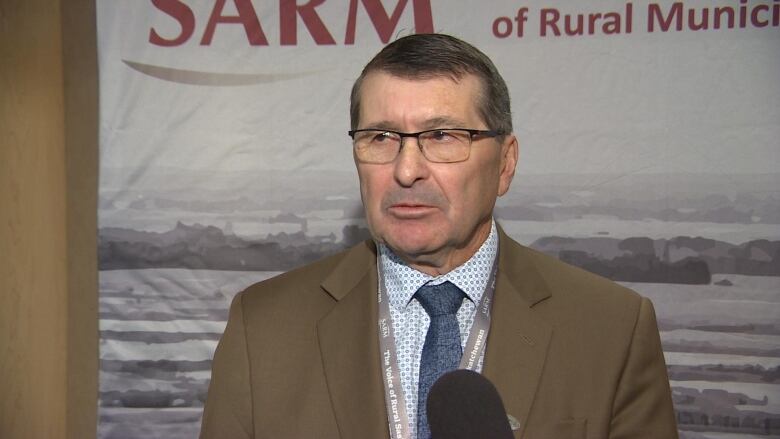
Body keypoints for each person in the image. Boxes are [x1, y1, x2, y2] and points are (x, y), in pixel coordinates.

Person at [200, 33, 678, 439]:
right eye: (381, 137)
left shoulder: (611, 328)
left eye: (443, 136)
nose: (406, 170)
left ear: (505, 163)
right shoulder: (263, 328)